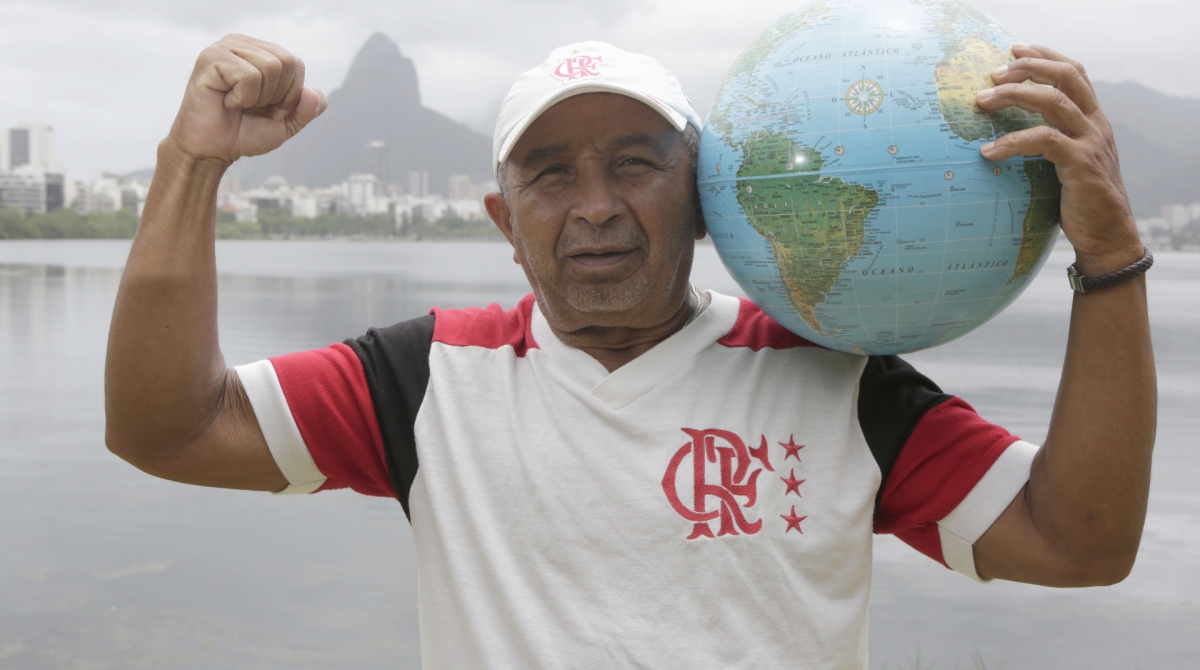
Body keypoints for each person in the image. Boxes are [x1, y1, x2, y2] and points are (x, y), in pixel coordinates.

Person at [105, 34, 1156, 668]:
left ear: (702, 199)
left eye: (636, 163)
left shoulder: (832, 378)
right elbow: (169, 428)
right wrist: (190, 163)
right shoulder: (428, 379)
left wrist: (1110, 261)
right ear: (504, 220)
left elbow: (1079, 543)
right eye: (551, 173)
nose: (597, 205)